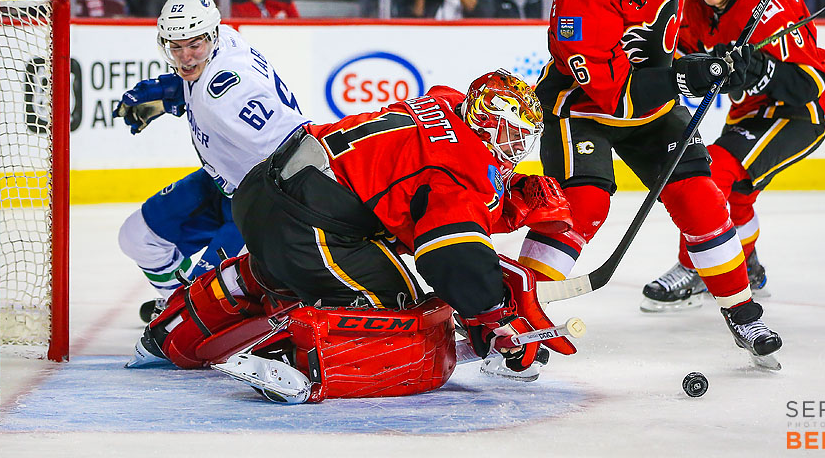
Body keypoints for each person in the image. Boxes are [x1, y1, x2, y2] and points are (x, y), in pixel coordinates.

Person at [517, 0, 825, 366]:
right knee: (581, 205)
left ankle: (743, 312)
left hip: (652, 107)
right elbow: (616, 99)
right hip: (580, 110)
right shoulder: (575, 11)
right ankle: (517, 321)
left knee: (703, 201)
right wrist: (689, 74)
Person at [127, 70, 579, 404]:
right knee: (409, 317)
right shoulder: (457, 170)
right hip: (309, 223)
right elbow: (449, 254)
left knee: (273, 273)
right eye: (511, 134)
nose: (516, 148)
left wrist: (508, 204)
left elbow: (409, 199)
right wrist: (494, 318)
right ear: (486, 124)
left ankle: (173, 332)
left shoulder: (446, 103)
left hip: (265, 190)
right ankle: (294, 357)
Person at [644, 0, 825, 309]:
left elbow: (809, 86)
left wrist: (763, 70)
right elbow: (677, 65)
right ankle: (747, 266)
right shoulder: (688, 10)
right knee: (738, 191)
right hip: (751, 112)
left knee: (714, 171)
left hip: (802, 114)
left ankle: (694, 269)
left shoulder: (774, 6)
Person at [113, 0, 309, 322]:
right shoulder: (222, 39)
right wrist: (171, 92)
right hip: (221, 183)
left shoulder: (226, 94)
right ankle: (182, 302)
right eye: (176, 46)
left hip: (256, 204)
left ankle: (209, 311)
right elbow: (198, 84)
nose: (185, 57)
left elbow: (295, 144)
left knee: (207, 295)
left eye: (194, 45)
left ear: (211, 35)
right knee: (137, 237)